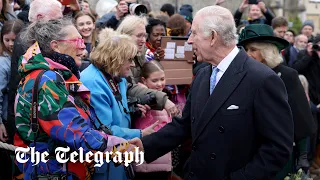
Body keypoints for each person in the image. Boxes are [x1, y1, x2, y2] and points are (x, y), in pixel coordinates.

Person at [129, 5, 294, 180]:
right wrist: (144, 146)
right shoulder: (202, 75)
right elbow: (184, 125)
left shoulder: (262, 79)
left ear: (213, 37)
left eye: (194, 33)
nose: (189, 40)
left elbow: (278, 148)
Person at [15, 18, 134, 180]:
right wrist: (118, 146)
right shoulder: (48, 79)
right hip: (55, 172)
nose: (83, 45)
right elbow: (73, 130)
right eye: (77, 40)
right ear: (55, 45)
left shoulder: (52, 75)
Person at [238, 23, 316, 179]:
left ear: (266, 51)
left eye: (253, 50)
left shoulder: (287, 75)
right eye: (246, 50)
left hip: (277, 154)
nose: (248, 55)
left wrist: (302, 155)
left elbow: (301, 118)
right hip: (246, 153)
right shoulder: (243, 75)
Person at [80, 28, 158, 180]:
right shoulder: (92, 82)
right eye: (129, 59)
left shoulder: (116, 76)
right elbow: (104, 131)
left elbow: (115, 110)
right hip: (104, 163)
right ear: (116, 59)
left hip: (117, 157)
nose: (133, 65)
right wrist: (141, 134)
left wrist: (132, 110)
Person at [6, 0, 63, 145]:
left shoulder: (34, 38)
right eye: (57, 20)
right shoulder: (27, 41)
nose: (61, 25)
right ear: (39, 18)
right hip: (31, 126)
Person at [132, 60, 172, 180]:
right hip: (149, 162)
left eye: (162, 79)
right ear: (144, 80)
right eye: (155, 80)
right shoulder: (145, 100)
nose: (160, 84)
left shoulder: (161, 96)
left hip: (159, 159)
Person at [0, 19, 24, 180]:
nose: (10, 44)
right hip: (6, 118)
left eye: (14, 40)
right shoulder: (3, 63)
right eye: (6, 40)